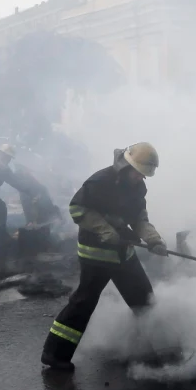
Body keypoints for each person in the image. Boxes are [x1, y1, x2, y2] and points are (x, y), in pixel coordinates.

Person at [41, 142, 167, 371]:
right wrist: (107, 231)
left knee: (145, 299)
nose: (141, 179)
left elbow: (139, 218)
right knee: (83, 303)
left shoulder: (138, 188)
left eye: (143, 176)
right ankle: (54, 354)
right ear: (127, 167)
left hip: (122, 252)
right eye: (138, 174)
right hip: (95, 255)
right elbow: (77, 210)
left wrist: (153, 239)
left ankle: (163, 352)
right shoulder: (100, 181)